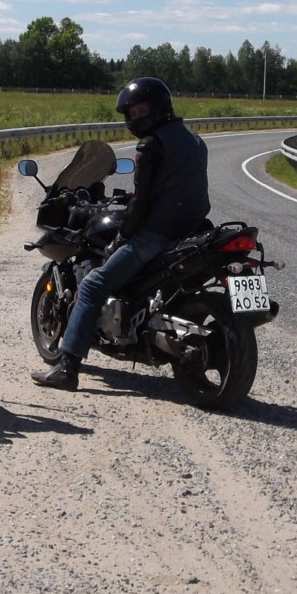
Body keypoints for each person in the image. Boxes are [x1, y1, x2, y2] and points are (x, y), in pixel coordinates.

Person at [32, 76, 210, 391]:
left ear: (159, 108)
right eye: (132, 112)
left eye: (141, 110)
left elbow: (141, 203)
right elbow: (172, 187)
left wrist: (122, 237)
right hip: (192, 229)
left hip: (158, 234)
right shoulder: (195, 140)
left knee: (92, 286)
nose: (135, 117)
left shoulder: (151, 144)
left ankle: (67, 369)